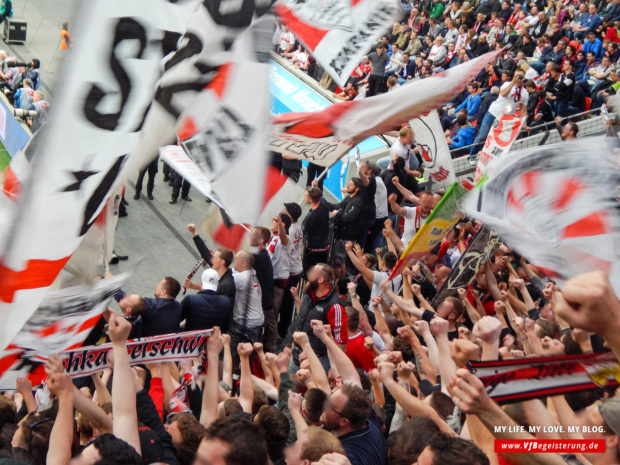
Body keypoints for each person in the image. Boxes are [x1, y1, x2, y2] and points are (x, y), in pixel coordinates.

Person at [285, 263, 347, 370]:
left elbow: (341, 344)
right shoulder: (308, 294)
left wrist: (333, 369)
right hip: (296, 355)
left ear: (320, 280)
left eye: (313, 272)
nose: (308, 275)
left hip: (317, 361)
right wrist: (291, 345)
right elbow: (301, 318)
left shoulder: (335, 306)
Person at [469, 69, 528, 161]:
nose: (519, 78)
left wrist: (524, 124)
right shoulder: (506, 84)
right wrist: (513, 83)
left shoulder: (525, 93)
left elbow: (523, 110)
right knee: (482, 136)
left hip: (504, 119)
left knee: (497, 141)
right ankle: (472, 155)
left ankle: (490, 158)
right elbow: (503, 94)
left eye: (521, 76)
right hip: (493, 113)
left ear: (524, 78)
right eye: (517, 75)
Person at [321, 384, 386, 465]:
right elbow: (351, 376)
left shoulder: (346, 457)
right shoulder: (369, 421)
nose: (324, 405)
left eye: (330, 406)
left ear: (344, 422)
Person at [114, 276, 182, 337]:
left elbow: (129, 302)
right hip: (168, 344)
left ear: (163, 292)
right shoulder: (178, 306)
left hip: (147, 345)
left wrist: (111, 285)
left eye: (159, 285)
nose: (157, 286)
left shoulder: (152, 306)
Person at [187, 224, 236, 307]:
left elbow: (225, 308)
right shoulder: (218, 269)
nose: (211, 259)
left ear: (222, 262)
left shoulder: (228, 285)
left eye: (215, 257)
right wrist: (194, 232)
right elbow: (205, 253)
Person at [230, 250, 264, 348]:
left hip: (247, 323)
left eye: (236, 260)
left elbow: (221, 281)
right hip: (256, 320)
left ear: (244, 263)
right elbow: (232, 271)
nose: (233, 262)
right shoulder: (251, 272)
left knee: (240, 352)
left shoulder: (242, 278)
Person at [302, 185, 330, 272]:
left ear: (310, 199)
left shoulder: (310, 218)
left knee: (311, 275)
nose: (304, 196)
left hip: (313, 250)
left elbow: (302, 231)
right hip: (325, 246)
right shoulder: (324, 205)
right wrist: (314, 187)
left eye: (305, 195)